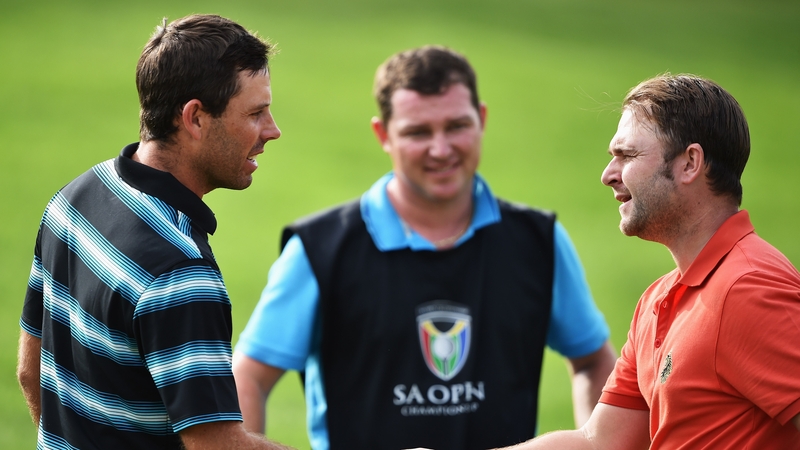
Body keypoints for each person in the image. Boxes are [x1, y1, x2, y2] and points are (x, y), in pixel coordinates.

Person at [232, 45, 617, 450]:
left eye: (456, 126)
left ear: (482, 120)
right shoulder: (320, 250)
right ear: (383, 135)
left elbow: (593, 361)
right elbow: (249, 377)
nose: (441, 149)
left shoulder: (538, 240)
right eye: (418, 132)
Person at [16, 14, 293, 450]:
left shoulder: (74, 198)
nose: (272, 131)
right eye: (256, 113)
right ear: (195, 118)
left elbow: (30, 373)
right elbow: (215, 445)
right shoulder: (180, 272)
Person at [492, 74, 800, 449]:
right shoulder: (658, 300)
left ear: (690, 163)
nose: (608, 175)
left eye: (627, 156)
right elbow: (598, 443)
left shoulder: (749, 287)